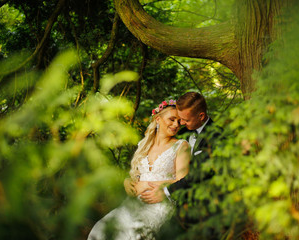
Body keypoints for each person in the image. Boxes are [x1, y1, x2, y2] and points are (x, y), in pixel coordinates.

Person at [87, 99, 191, 240]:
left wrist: (152, 186)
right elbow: (136, 175)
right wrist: (127, 182)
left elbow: (183, 181)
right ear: (158, 119)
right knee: (101, 229)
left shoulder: (181, 146)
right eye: (172, 119)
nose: (176, 125)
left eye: (179, 121)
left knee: (131, 234)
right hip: (135, 202)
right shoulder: (144, 144)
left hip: (159, 201)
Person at [139, 92, 218, 230]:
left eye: (185, 120)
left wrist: (166, 191)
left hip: (204, 207)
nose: (180, 124)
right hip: (176, 202)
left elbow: (198, 175)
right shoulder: (182, 133)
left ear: (201, 116)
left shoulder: (216, 137)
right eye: (179, 119)